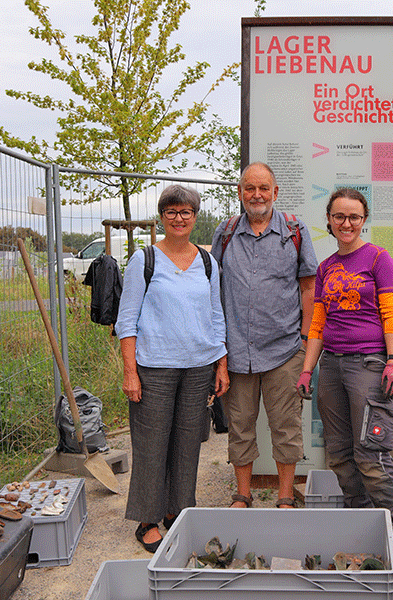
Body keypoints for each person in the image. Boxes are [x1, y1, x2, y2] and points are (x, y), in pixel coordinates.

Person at [296, 187, 393, 572]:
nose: (346, 223)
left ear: (364, 219)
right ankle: (362, 534)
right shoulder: (326, 267)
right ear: (328, 219)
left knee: (371, 457)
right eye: (339, 217)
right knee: (341, 455)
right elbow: (317, 324)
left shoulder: (378, 259)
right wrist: (308, 369)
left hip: (369, 366)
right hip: (332, 367)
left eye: (354, 217)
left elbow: (390, 314)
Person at [115, 185, 228, 552]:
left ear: (195, 217)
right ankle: (148, 519)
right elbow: (127, 319)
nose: (179, 218)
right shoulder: (145, 260)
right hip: (154, 368)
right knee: (151, 444)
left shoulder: (208, 262)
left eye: (187, 212)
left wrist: (220, 364)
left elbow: (216, 316)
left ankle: (178, 512)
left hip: (198, 367)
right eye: (172, 212)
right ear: (162, 216)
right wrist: (130, 371)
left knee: (186, 444)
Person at [211, 162, 318, 510]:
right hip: (237, 352)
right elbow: (214, 289)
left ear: (275, 192)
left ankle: (286, 496)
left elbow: (308, 287)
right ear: (240, 193)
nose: (256, 195)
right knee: (240, 426)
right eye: (249, 188)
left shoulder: (294, 230)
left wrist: (304, 342)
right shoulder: (225, 233)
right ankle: (242, 495)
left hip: (284, 351)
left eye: (263, 188)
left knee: (286, 427)